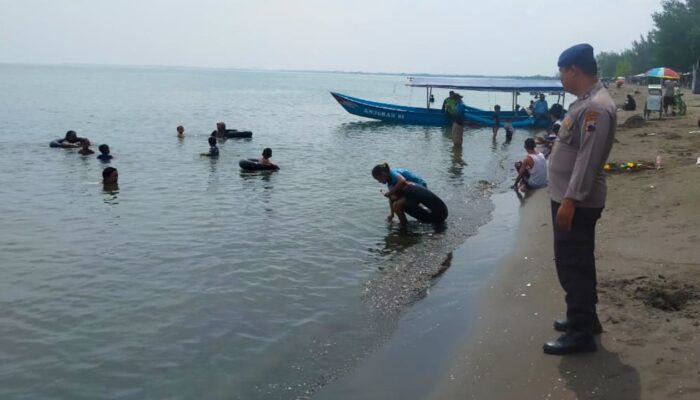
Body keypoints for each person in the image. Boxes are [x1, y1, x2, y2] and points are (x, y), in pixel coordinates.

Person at [544, 43, 616, 355]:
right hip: (569, 197)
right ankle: (586, 317)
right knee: (578, 261)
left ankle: (581, 332)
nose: (560, 77)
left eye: (561, 71)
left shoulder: (595, 108)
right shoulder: (584, 103)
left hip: (576, 201)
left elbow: (587, 160)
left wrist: (571, 200)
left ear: (574, 70)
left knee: (573, 265)